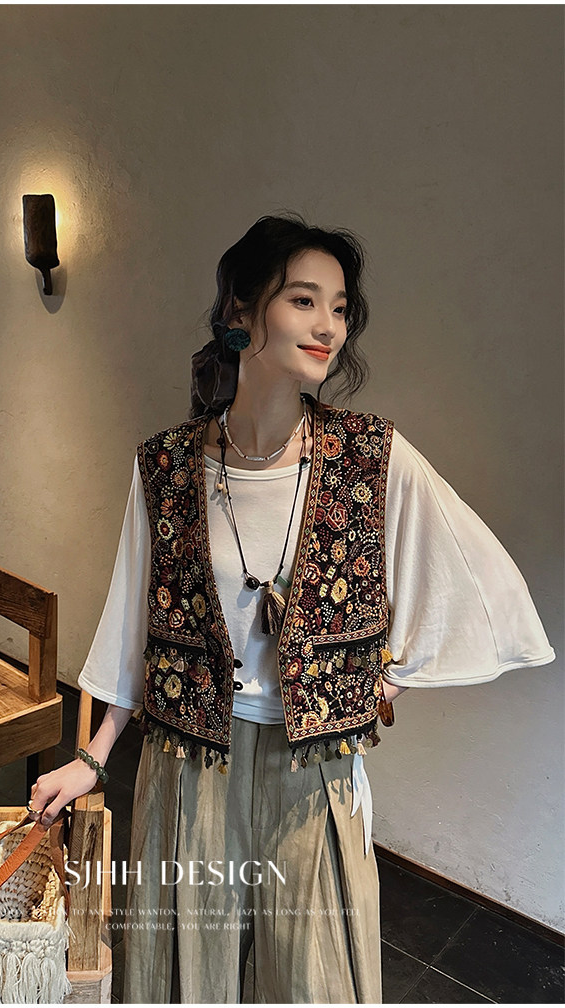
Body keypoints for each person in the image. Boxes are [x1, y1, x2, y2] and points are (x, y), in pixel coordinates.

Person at [27, 215, 555, 1004]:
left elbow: (474, 584)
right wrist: (94, 757)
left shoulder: (370, 457)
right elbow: (137, 629)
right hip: (189, 765)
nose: (328, 326)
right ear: (241, 311)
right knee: (190, 977)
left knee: (316, 983)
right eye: (304, 300)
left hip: (313, 773)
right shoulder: (167, 466)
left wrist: (386, 679)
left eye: (339, 307)